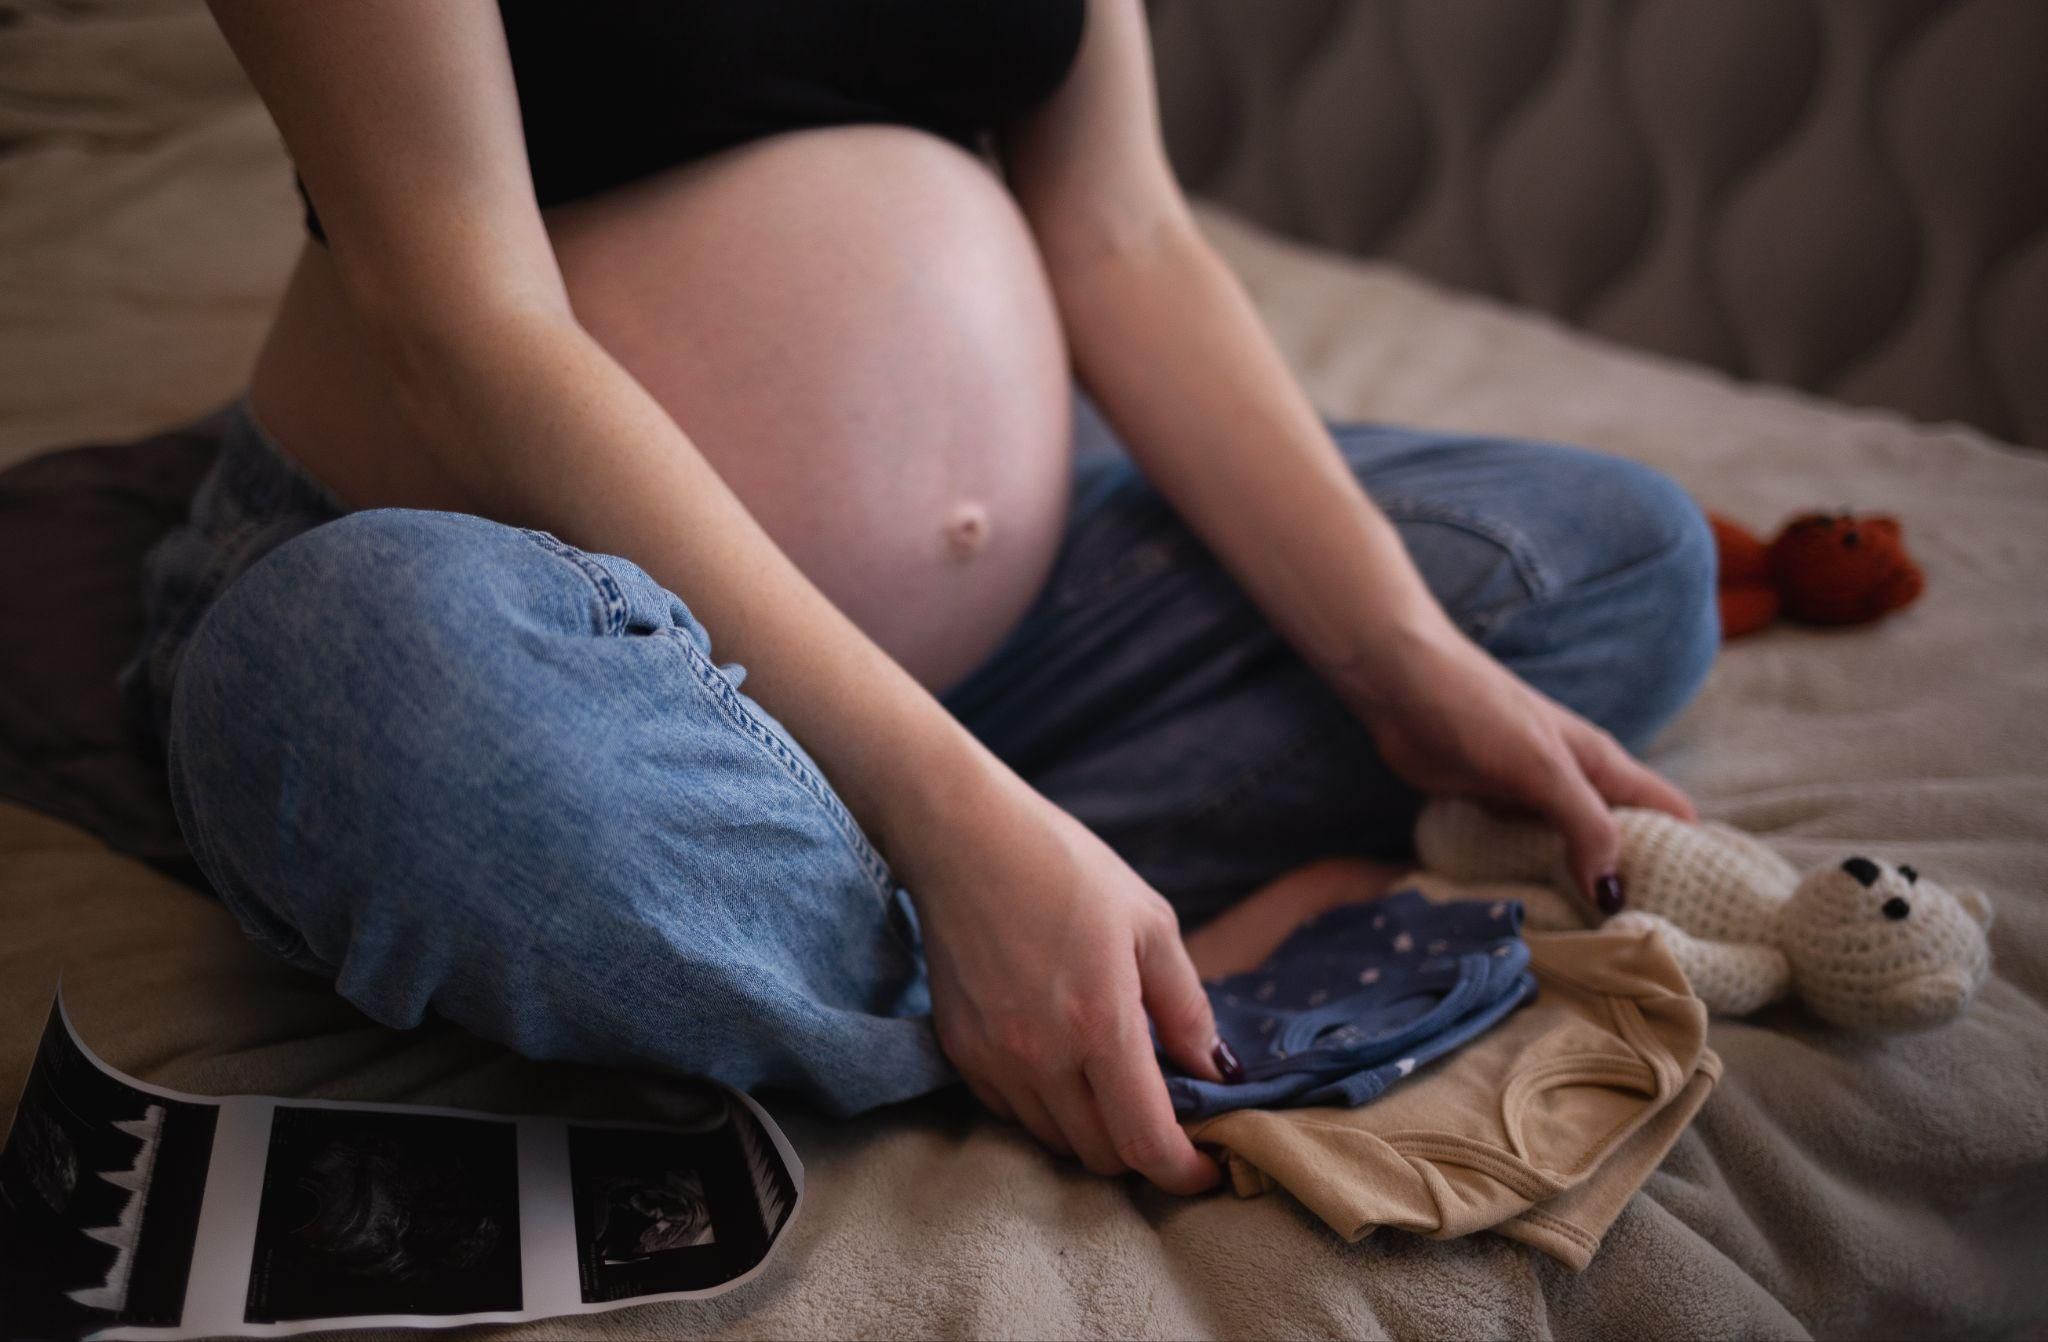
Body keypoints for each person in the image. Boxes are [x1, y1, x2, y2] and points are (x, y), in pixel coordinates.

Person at [126, 0, 1718, 1199]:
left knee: (1615, 560)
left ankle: (951, 921)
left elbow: (1122, 229)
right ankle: (1023, 950)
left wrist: (1401, 655)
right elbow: (465, 322)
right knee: (374, 699)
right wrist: (949, 812)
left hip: (1010, 649)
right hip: (527, 620)